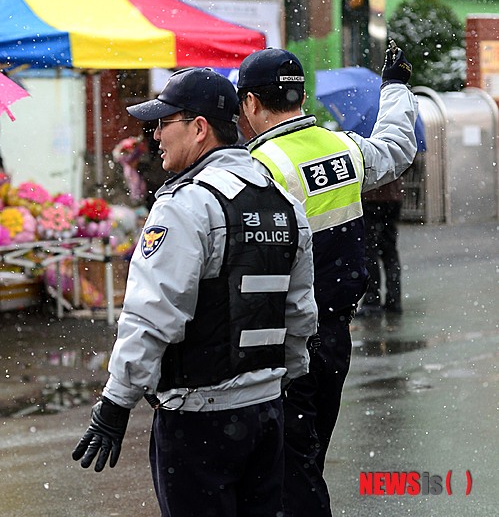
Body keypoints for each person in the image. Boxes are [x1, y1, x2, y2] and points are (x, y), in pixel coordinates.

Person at [72, 67, 317, 517]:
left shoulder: (186, 204)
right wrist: (293, 391)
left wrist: (115, 403)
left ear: (200, 128)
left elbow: (152, 316)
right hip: (267, 413)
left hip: (201, 418)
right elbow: (300, 311)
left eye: (165, 122)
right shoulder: (281, 198)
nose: (156, 134)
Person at [236, 46, 417, 517]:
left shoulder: (259, 170)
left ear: (252, 103)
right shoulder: (343, 148)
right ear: (300, 95)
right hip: (334, 338)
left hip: (282, 346)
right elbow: (397, 148)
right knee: (307, 456)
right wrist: (395, 85)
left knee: (288, 474)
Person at [360, 178, 404, 314]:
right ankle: (394, 299)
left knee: (370, 252)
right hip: (393, 197)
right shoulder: (396, 156)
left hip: (372, 197)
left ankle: (372, 300)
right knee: (390, 252)